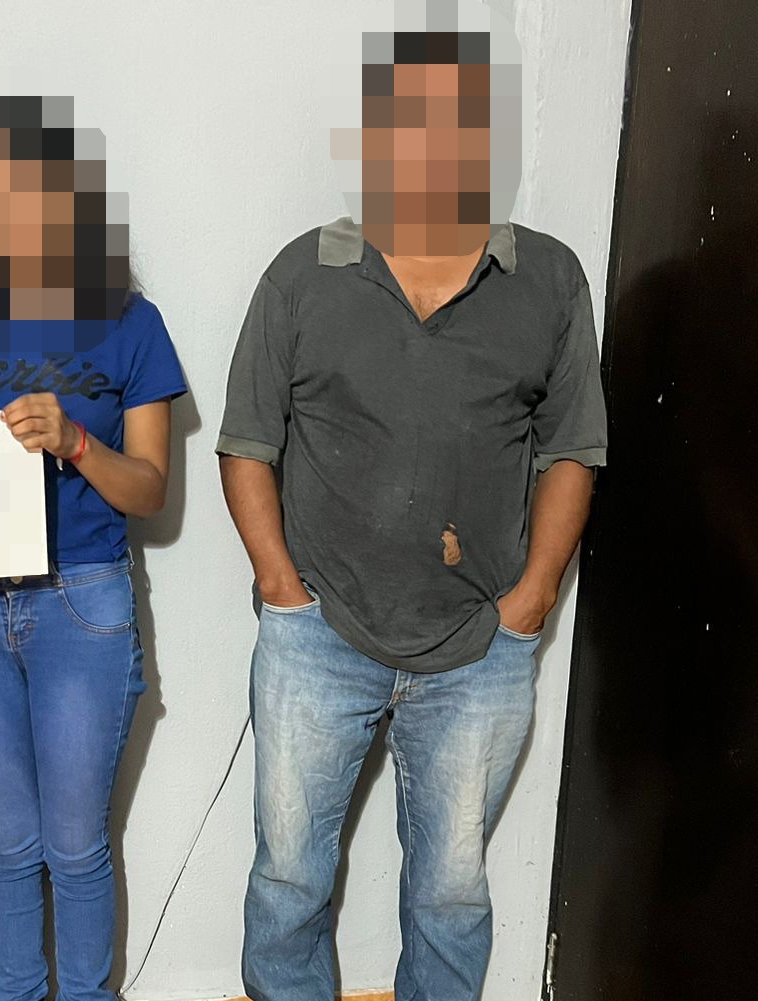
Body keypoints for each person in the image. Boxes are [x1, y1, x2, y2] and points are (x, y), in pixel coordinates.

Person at [218, 14, 608, 1001]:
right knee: (289, 878)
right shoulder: (304, 273)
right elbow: (247, 443)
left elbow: (572, 451)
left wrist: (530, 602)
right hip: (319, 635)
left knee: (450, 894)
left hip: (479, 648)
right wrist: (281, 588)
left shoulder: (548, 278)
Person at [0, 95, 187, 1001]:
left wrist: (75, 441)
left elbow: (151, 489)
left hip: (83, 596)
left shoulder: (131, 322)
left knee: (74, 844)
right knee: (9, 844)